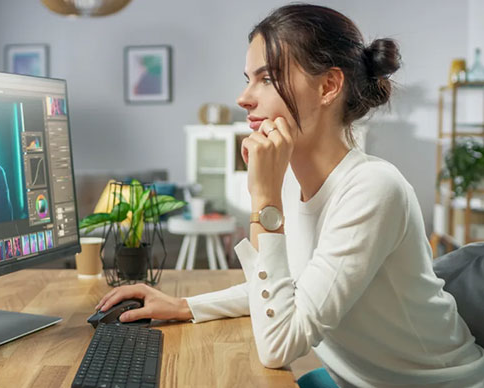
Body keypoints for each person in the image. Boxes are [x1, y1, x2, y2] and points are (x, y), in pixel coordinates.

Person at [95, 4, 484, 387]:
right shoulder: (293, 183)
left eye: (266, 79)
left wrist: (264, 198)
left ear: (328, 85)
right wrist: (184, 306)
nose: (243, 98)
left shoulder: (372, 188)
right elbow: (291, 283)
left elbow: (279, 344)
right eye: (248, 78)